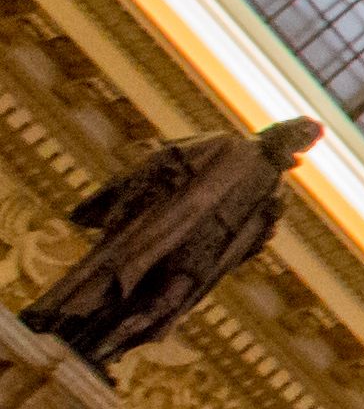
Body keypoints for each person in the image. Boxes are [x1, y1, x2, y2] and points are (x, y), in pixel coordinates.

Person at [23, 115, 324, 375]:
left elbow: (247, 246)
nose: (298, 139)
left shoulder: (275, 194)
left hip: (205, 250)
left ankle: (100, 347)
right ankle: (62, 315)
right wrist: (133, 198)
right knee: (118, 274)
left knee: (162, 303)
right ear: (283, 128)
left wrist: (263, 228)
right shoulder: (229, 145)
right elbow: (168, 159)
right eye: (298, 131)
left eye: (305, 140)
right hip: (176, 225)